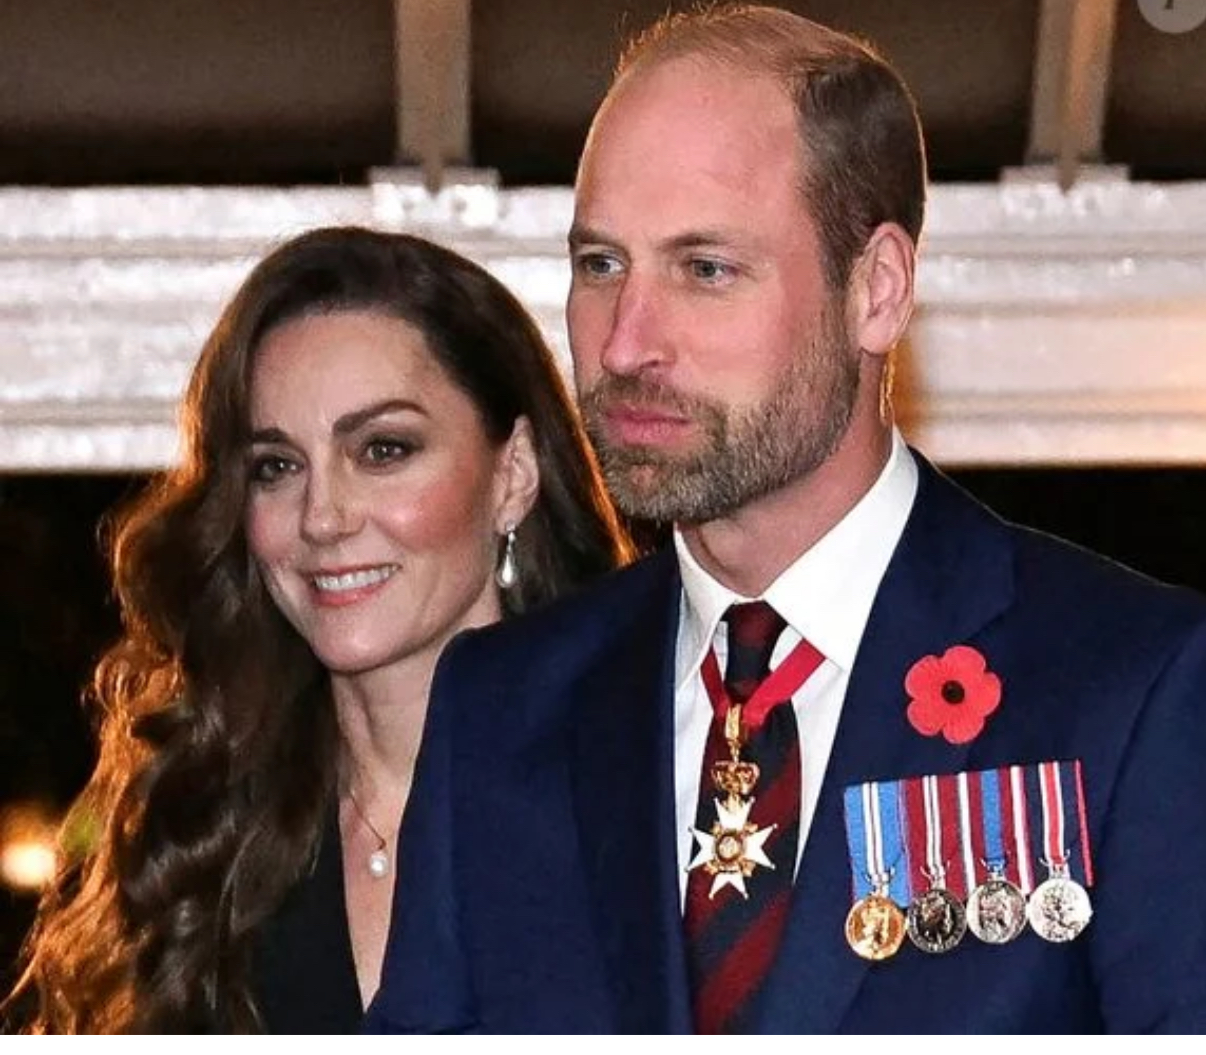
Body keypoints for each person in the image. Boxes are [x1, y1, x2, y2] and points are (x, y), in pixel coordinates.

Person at [363, 3, 1206, 1035]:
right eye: (600, 265)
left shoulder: (1130, 683)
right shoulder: (502, 713)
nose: (625, 344)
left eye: (705, 269)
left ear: (876, 291)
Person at [2, 225, 634, 1033]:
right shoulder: (211, 832)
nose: (322, 517)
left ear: (513, 474)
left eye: (382, 450)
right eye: (276, 465)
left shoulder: (644, 795)